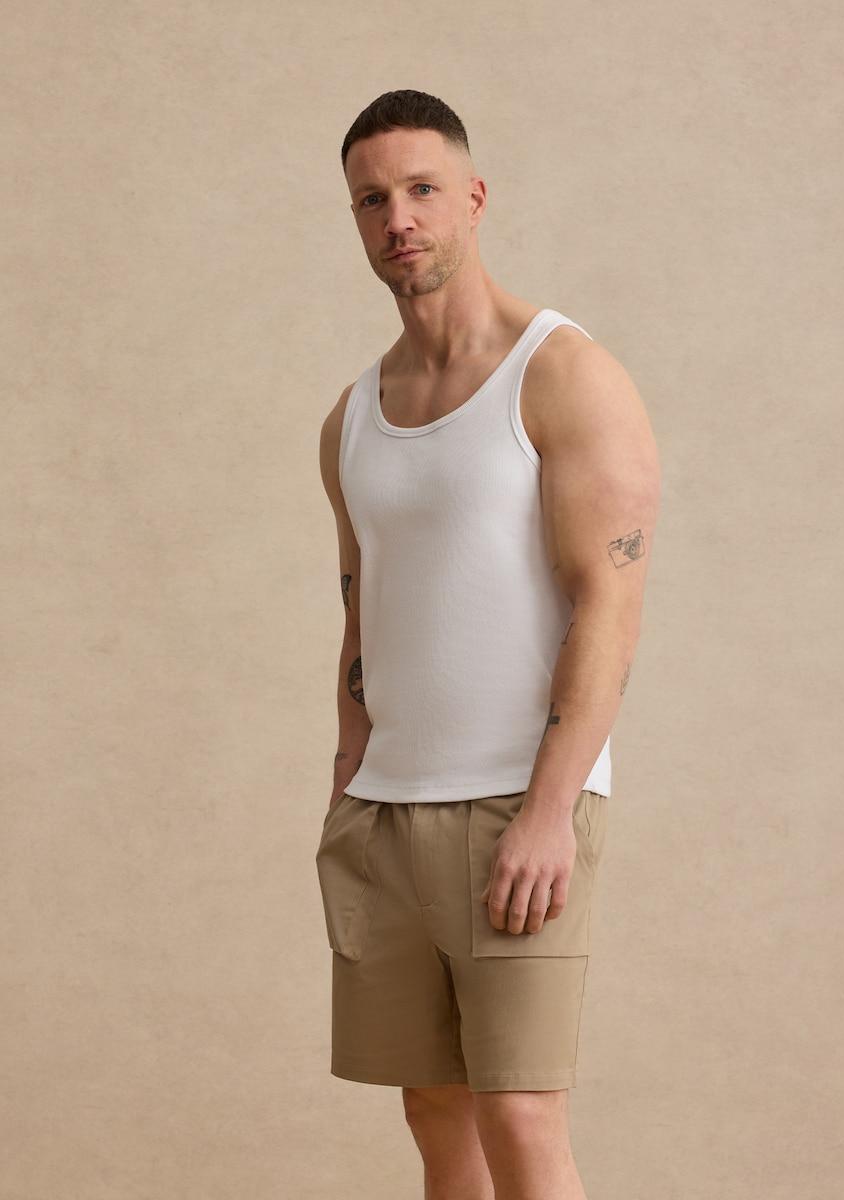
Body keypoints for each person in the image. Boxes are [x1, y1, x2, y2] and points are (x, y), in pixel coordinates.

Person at [316, 89, 661, 1200]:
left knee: (519, 1110)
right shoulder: (352, 418)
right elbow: (362, 613)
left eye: (422, 189)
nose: (399, 219)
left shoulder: (562, 373)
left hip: (519, 802)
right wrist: (345, 790)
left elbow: (609, 608)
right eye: (372, 200)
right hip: (386, 810)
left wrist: (551, 812)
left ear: (472, 197)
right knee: (436, 1110)